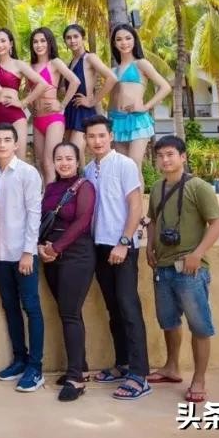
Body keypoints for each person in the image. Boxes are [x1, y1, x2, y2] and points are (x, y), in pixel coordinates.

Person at [145, 135, 219, 404]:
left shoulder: (198, 187)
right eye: (160, 156)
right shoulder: (157, 187)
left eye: (170, 154)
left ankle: (199, 379)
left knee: (199, 325)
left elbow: (217, 224)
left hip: (190, 269)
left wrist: (197, 254)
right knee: (168, 321)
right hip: (163, 266)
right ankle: (171, 367)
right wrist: (149, 246)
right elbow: (152, 220)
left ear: (182, 157)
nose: (165, 160)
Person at [82, 115, 151, 400]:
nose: (97, 141)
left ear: (111, 136)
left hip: (122, 246)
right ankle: (123, 364)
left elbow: (135, 206)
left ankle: (140, 374)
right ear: (86, 140)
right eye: (91, 136)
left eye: (101, 135)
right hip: (99, 247)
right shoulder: (88, 170)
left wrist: (124, 242)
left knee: (128, 308)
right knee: (114, 309)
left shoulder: (125, 164)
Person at [0, 123, 45, 393]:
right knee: (10, 307)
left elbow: (34, 214)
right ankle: (20, 360)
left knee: (31, 308)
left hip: (23, 255)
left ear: (16, 144)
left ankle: (35, 367)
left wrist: (28, 252)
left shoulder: (27, 173)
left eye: (7, 140)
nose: (2, 144)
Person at [36, 142, 96, 402]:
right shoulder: (51, 188)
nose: (64, 163)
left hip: (76, 255)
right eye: (59, 158)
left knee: (70, 314)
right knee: (67, 311)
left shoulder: (85, 186)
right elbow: (42, 219)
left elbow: (82, 221)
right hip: (51, 256)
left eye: (69, 158)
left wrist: (57, 247)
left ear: (77, 161)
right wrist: (42, 246)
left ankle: (75, 378)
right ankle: (80, 366)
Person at [106, 23, 171, 171]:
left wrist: (146, 107)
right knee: (122, 167)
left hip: (137, 120)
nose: (124, 42)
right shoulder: (113, 70)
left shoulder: (141, 64)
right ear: (114, 43)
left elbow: (165, 87)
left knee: (134, 165)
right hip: (116, 121)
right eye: (119, 39)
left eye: (128, 38)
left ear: (134, 40)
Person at [28, 27, 81, 184]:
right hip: (37, 119)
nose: (39, 45)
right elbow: (28, 91)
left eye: (42, 41)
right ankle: (48, 195)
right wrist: (30, 107)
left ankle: (52, 198)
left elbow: (75, 81)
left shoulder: (55, 63)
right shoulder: (30, 66)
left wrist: (62, 105)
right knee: (40, 163)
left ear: (49, 42)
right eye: (35, 42)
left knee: (49, 162)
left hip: (53, 119)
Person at [0, 28, 51, 152]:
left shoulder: (18, 64)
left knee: (19, 160)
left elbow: (42, 84)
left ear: (11, 44)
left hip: (15, 118)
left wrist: (23, 102)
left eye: (3, 41)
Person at [62, 24, 117, 157]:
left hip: (84, 111)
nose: (72, 40)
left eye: (76, 36)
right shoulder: (70, 62)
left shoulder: (90, 58)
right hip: (70, 111)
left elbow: (112, 78)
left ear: (83, 38)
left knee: (74, 152)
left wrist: (92, 101)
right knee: (73, 156)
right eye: (68, 38)